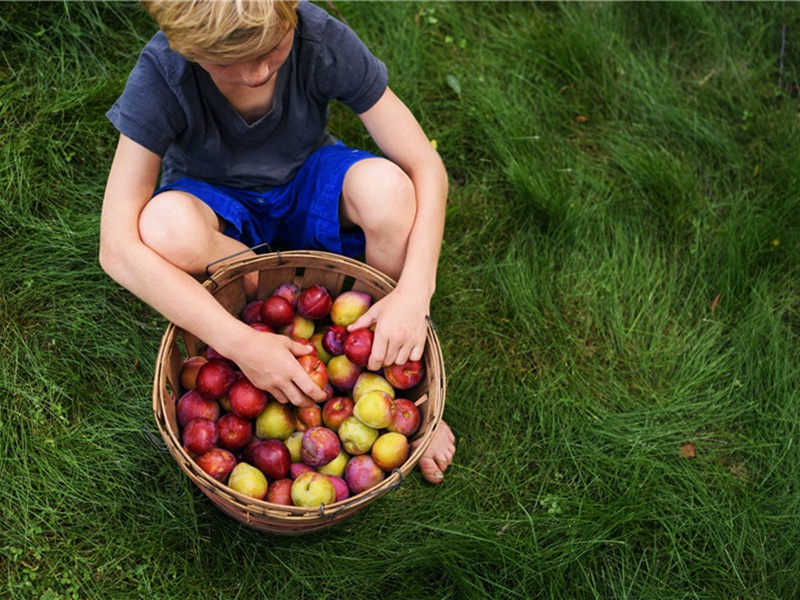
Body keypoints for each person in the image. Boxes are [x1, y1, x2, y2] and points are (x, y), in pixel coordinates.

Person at [99, 0, 455, 482]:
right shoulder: (165, 71)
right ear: (186, 47)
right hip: (220, 214)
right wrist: (241, 344)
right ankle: (267, 302)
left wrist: (416, 291)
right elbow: (116, 248)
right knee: (163, 228)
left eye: (272, 50)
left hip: (307, 184)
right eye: (227, 64)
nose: (256, 73)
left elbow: (425, 165)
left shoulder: (318, 37)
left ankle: (392, 382)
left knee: (391, 193)